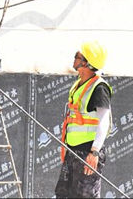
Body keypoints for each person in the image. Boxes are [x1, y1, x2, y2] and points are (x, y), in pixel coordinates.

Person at [55, 41, 113, 199]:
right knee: (63, 194)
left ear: (86, 63)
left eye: (77, 56)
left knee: (84, 196)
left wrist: (94, 152)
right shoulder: (78, 85)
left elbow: (104, 121)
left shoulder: (99, 88)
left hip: (88, 151)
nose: (74, 58)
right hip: (73, 150)